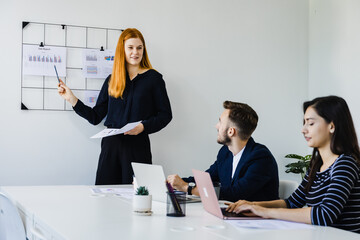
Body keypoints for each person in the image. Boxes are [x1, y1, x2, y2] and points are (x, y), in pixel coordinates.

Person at [226, 96, 360, 233]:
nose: (303, 129)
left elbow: (324, 214)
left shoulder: (345, 164)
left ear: (332, 126)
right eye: (304, 123)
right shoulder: (316, 165)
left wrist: (265, 212)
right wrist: (253, 205)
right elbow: (292, 202)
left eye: (311, 123)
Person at [58, 28, 172, 185]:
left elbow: (165, 115)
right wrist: (72, 99)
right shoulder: (112, 80)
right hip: (111, 148)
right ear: (122, 50)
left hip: (137, 147)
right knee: (105, 196)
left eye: (139, 47)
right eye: (130, 48)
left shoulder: (154, 79)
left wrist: (143, 127)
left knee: (137, 197)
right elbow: (95, 117)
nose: (135, 52)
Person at [167, 101, 279, 202]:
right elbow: (207, 179)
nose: (216, 126)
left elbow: (234, 194)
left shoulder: (261, 158)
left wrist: (187, 188)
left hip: (258, 221)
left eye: (220, 122)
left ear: (231, 131)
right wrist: (174, 182)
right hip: (232, 216)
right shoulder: (225, 152)